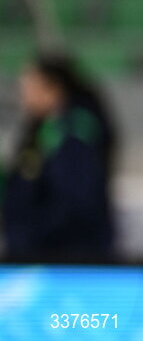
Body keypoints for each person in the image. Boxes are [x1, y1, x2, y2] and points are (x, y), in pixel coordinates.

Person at [2, 51, 117, 262]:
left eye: (29, 87)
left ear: (52, 88)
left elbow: (74, 204)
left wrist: (30, 237)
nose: (23, 95)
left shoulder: (74, 134)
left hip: (65, 258)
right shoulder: (41, 130)